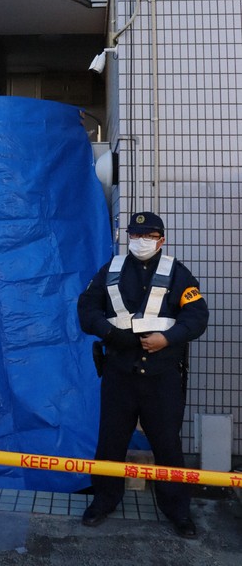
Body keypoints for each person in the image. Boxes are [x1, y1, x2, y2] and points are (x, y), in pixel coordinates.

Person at [77, 211, 208, 538]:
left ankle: (178, 511)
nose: (141, 242)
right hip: (120, 375)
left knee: (167, 447)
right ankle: (104, 501)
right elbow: (86, 308)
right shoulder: (111, 269)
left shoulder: (178, 274)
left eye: (148, 236)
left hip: (161, 378)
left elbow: (197, 316)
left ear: (161, 240)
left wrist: (169, 338)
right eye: (136, 235)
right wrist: (109, 333)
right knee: (110, 443)